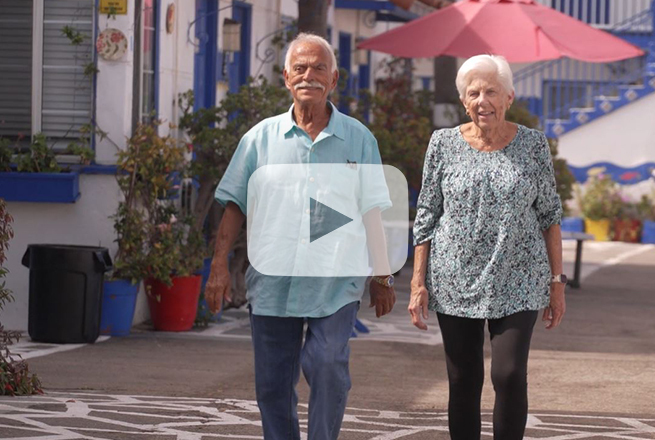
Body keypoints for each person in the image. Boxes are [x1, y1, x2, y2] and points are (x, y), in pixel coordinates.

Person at [205, 33, 396, 440]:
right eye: (300, 68)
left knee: (327, 363)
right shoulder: (259, 139)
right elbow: (234, 205)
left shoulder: (359, 139)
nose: (309, 75)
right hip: (273, 281)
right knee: (272, 385)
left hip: (335, 280)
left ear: (334, 79)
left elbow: (372, 212)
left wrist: (382, 276)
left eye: (319, 67)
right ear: (286, 79)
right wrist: (218, 267)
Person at [408, 54, 566, 440]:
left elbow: (549, 215)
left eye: (491, 91)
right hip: (454, 277)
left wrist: (556, 281)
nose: (483, 100)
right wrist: (417, 283)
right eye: (474, 92)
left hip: (520, 276)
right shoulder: (443, 144)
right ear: (464, 101)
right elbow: (426, 215)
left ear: (508, 96)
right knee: (463, 377)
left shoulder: (532, 145)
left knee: (508, 374)